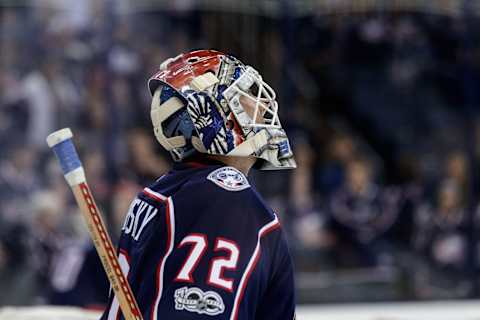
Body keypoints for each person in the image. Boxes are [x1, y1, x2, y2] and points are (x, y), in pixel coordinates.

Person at [101, 49, 297, 320]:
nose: (261, 107)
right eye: (246, 96)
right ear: (218, 113)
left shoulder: (159, 193)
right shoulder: (225, 197)